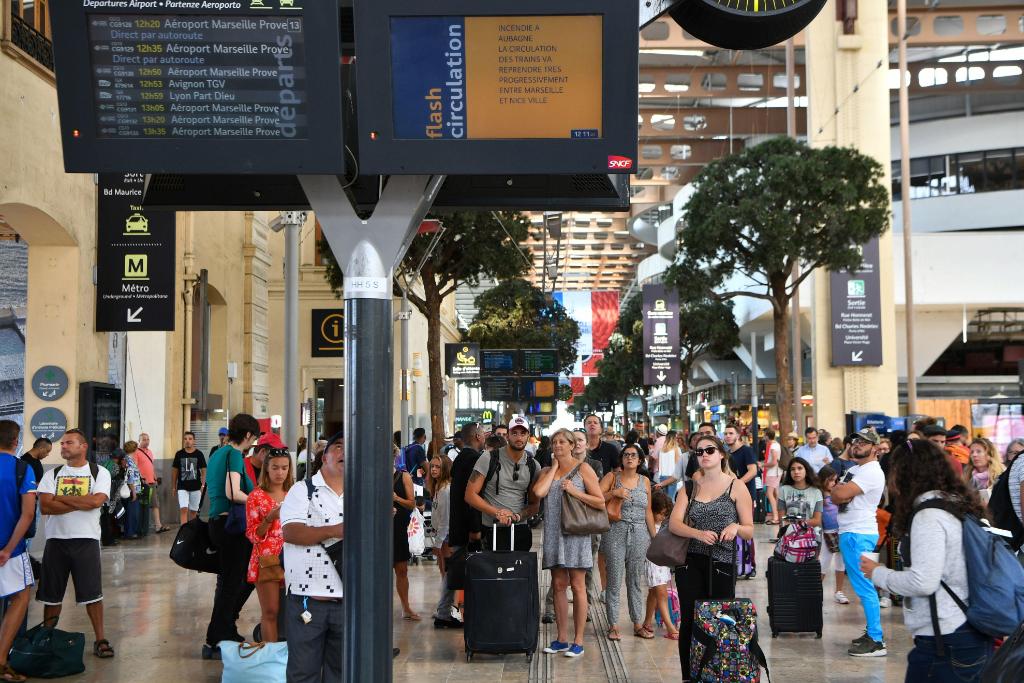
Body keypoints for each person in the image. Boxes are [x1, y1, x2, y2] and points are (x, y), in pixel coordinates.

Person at [861, 439, 993, 681]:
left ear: (906, 474)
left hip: (947, 638)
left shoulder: (929, 516)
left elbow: (923, 582)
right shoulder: (953, 504)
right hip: (963, 631)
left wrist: (878, 572)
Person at [669, 434, 753, 680]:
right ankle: (689, 676)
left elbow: (749, 530)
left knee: (721, 619)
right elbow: (674, 524)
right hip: (690, 561)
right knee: (689, 618)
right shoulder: (690, 486)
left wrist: (736, 527)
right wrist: (697, 533)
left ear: (721, 454)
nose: (704, 455)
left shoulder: (736, 486)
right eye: (699, 451)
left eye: (709, 450)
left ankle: (718, 674)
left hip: (722, 562)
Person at [36, 429, 113, 659]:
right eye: (62, 444)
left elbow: (96, 501)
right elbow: (45, 506)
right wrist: (83, 502)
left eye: (69, 443)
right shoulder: (52, 474)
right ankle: (47, 638)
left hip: (86, 540)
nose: (63, 447)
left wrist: (60, 498)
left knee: (93, 594)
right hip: (56, 541)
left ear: (83, 446)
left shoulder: (99, 472)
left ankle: (100, 639)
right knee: (51, 596)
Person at [533, 428, 604, 658]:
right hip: (554, 534)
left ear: (572, 445)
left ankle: (578, 640)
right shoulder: (548, 470)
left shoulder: (583, 469)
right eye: (554, 442)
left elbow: (600, 501)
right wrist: (554, 467)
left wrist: (575, 491)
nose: (557, 445)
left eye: (562, 442)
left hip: (576, 533)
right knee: (558, 585)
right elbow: (539, 492)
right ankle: (561, 638)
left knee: (578, 585)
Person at [280, 431, 345, 682]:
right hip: (307, 600)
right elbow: (291, 532)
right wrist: (336, 530)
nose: (345, 452)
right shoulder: (302, 490)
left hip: (347, 602)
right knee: (303, 673)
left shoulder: (360, 493)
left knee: (341, 673)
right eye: (338, 446)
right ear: (324, 457)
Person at [202, 413, 259, 660]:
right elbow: (233, 492)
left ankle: (224, 631)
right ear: (247, 435)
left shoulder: (218, 453)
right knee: (232, 584)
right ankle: (216, 639)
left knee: (229, 583)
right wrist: (260, 502)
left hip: (218, 523)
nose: (253, 443)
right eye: (253, 438)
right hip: (231, 526)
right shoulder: (235, 455)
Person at [829, 427, 887, 657]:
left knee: (864, 587)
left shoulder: (871, 472)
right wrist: (839, 491)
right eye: (855, 441)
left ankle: (876, 639)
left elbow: (838, 495)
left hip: (858, 534)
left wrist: (839, 490)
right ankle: (872, 633)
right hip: (852, 532)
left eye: (863, 442)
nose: (857, 445)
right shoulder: (856, 469)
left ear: (875, 448)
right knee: (863, 585)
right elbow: (836, 492)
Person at [600, 443, 656, 642]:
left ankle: (637, 623)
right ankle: (613, 624)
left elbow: (648, 512)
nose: (629, 458)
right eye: (626, 455)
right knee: (614, 580)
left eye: (633, 455)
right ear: (621, 459)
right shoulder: (612, 477)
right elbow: (596, 498)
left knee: (635, 581)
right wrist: (613, 493)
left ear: (640, 460)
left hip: (640, 533)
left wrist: (654, 537)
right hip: (616, 530)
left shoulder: (645, 481)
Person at [465, 415, 540, 552]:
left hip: (520, 529)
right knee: (492, 566)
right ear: (508, 436)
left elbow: (534, 505)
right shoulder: (488, 458)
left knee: (519, 566)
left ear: (528, 436)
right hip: (492, 529)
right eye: (514, 433)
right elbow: (470, 495)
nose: (519, 437)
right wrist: (497, 513)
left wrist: (517, 516)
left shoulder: (533, 465)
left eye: (523, 433)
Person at [0, 421, 36, 683]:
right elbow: (28, 514)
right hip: (10, 551)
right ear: (16, 441)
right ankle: (1, 660)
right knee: (20, 597)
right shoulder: (22, 469)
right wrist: (8, 549)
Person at [245, 446, 293, 644]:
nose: (280, 472)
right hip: (267, 559)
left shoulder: (294, 494)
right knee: (270, 611)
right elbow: (253, 534)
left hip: (293, 557)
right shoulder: (255, 496)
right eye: (275, 468)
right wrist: (269, 518)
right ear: (266, 468)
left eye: (284, 468)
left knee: (294, 611)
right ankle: (270, 655)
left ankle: (292, 655)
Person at [642, 490, 679, 640]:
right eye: (661, 513)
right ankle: (671, 628)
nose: (663, 517)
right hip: (653, 562)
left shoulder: (663, 525)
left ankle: (647, 622)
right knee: (661, 594)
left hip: (661, 563)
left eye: (666, 514)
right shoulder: (649, 524)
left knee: (654, 593)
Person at [427, 455, 459, 629]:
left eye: (437, 467)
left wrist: (438, 543)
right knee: (444, 573)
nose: (433, 469)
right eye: (432, 466)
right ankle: (445, 608)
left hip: (445, 537)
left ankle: (445, 610)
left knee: (448, 574)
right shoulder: (438, 488)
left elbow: (446, 519)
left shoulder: (446, 490)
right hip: (440, 535)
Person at [816, 465, 850, 605]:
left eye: (835, 480)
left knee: (841, 562)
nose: (833, 483)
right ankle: (816, 591)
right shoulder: (819, 495)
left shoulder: (837, 493)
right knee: (824, 561)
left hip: (841, 530)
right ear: (823, 480)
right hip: (826, 532)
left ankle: (839, 591)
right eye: (830, 480)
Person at [392, 457, 419, 621]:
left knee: (401, 569)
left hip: (399, 529)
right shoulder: (372, 475)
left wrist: (396, 498)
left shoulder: (403, 476)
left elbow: (412, 503)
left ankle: (406, 607)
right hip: (379, 529)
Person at [134, 432, 167, 534]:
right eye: (144, 439)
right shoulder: (136, 452)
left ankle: (158, 526)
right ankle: (141, 528)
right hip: (142, 484)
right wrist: (140, 479)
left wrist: (155, 478)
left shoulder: (150, 452)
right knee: (142, 506)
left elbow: (151, 466)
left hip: (152, 482)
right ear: (139, 441)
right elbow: (135, 468)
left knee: (155, 504)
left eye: (148, 439)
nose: (146, 441)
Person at [172, 431, 207, 525]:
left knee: (193, 511)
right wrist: (173, 486)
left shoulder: (199, 454)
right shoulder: (179, 454)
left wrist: (203, 485)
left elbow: (204, 471)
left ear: (194, 441)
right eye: (185, 439)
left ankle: (192, 530)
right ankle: (184, 530)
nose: (187, 441)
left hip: (196, 487)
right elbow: (175, 471)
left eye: (190, 439)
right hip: (182, 486)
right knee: (183, 509)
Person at [777, 457, 823, 528]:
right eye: (793, 469)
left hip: (811, 533)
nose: (796, 472)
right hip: (789, 532)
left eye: (800, 468)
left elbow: (817, 520)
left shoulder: (816, 492)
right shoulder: (783, 490)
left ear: (806, 471)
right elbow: (782, 519)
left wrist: (796, 524)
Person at [724, 423, 758, 503]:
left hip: (746, 495)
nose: (728, 436)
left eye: (731, 433)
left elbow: (753, 471)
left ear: (738, 436)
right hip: (732, 496)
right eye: (725, 434)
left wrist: (737, 484)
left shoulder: (746, 450)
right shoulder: (727, 454)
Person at [963, 437, 1004, 504]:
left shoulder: (1000, 474)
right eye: (972, 452)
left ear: (989, 455)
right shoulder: (966, 475)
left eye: (978, 451)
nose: (974, 455)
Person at [653, 429, 681, 500]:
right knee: (671, 498)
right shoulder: (677, 449)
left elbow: (659, 466)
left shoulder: (661, 450)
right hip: (672, 477)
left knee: (664, 499)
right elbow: (679, 464)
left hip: (662, 476)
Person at [762, 429, 782, 526]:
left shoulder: (773, 446)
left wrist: (763, 465)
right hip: (777, 472)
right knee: (775, 493)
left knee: (769, 493)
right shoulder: (777, 445)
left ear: (767, 436)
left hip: (773, 472)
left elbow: (773, 462)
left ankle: (775, 517)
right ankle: (777, 514)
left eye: (764, 435)